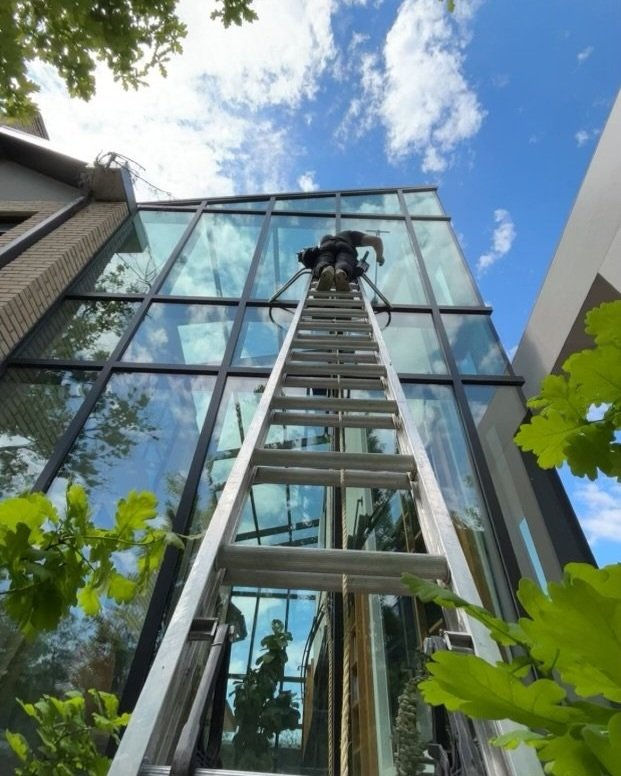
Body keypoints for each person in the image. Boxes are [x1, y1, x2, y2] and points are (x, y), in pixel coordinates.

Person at [314, 230, 385, 292]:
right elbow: (377, 240)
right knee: (344, 261)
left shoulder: (325, 240)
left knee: (324, 259)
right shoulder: (349, 234)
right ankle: (342, 272)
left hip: (325, 248)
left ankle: (325, 270)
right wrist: (380, 257)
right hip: (345, 247)